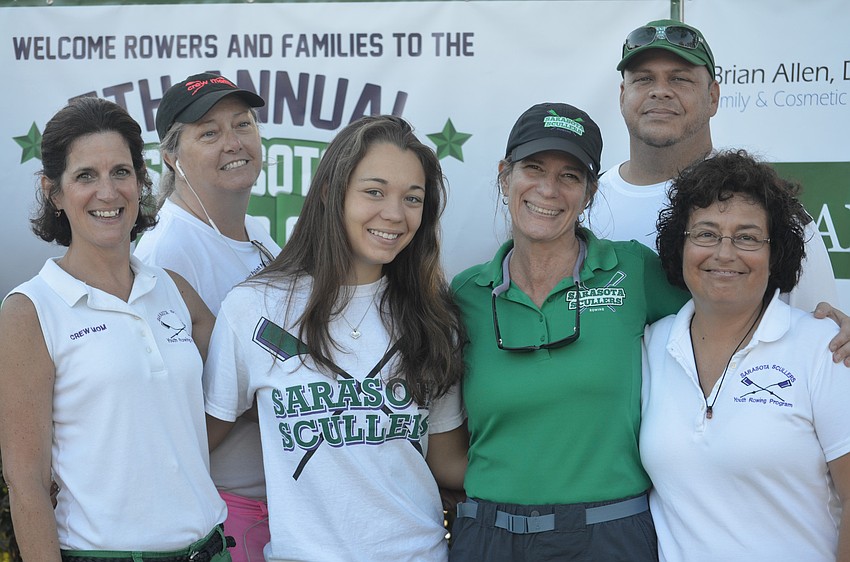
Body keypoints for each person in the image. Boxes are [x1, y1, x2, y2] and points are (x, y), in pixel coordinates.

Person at [202, 115, 468, 561]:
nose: (394, 214)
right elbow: (197, 440)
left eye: (413, 198)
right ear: (330, 192)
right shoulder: (257, 310)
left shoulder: (433, 317)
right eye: (374, 191)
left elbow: (447, 462)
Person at [448, 102, 690, 561]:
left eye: (569, 176)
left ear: (590, 192)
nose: (548, 190)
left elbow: (730, 324)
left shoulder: (632, 270)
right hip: (488, 536)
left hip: (609, 534)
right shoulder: (467, 293)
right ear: (505, 177)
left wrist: (822, 328)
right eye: (533, 168)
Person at [0, 97, 230, 560]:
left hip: (208, 550)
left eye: (121, 172)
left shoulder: (171, 288)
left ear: (141, 182)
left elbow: (240, 380)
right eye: (86, 176)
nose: (108, 192)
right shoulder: (30, 311)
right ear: (54, 192)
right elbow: (26, 485)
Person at [642, 150, 850, 561]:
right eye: (705, 233)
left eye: (747, 237)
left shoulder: (825, 349)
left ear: (775, 255)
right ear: (679, 247)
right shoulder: (651, 345)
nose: (724, 253)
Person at [589, 19, 840, 318]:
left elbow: (825, 338)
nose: (660, 91)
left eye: (679, 79)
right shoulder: (579, 203)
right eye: (643, 79)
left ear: (713, 97)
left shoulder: (772, 209)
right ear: (622, 95)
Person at [134, 72, 279, 561]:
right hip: (224, 511)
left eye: (243, 124)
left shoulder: (260, 235)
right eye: (209, 132)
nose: (234, 142)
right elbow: (161, 412)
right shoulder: (165, 251)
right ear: (171, 156)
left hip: (281, 504)